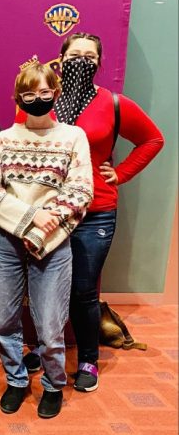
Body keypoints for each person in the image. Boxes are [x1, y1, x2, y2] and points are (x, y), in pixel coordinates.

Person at [0, 62, 93, 419]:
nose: (38, 100)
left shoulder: (73, 137)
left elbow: (81, 190)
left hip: (54, 240)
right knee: (4, 320)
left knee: (50, 324)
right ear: (18, 99)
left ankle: (54, 384)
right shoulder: (4, 138)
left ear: (56, 94)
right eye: (29, 95)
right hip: (6, 239)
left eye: (45, 93)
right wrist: (29, 220)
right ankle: (16, 379)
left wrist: (46, 225)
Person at [53, 33, 163, 392]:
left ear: (99, 64)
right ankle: (45, 352)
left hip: (95, 211)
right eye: (74, 55)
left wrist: (122, 173)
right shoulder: (42, 99)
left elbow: (153, 139)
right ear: (61, 58)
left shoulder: (114, 104)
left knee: (83, 291)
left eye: (89, 56)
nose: (81, 61)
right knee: (46, 288)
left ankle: (88, 359)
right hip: (48, 213)